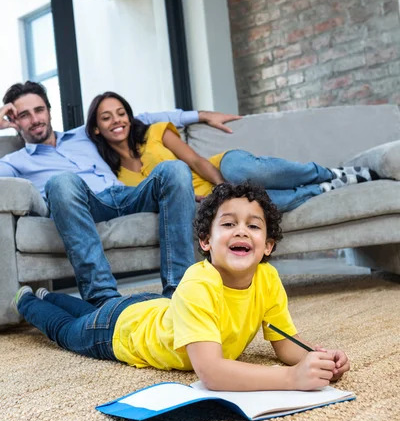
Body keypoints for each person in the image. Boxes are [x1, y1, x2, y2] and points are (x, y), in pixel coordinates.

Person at [10, 182, 350, 391]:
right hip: (120, 331)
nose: (242, 231)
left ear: (268, 245)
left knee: (87, 313)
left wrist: (317, 359)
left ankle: (48, 295)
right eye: (228, 224)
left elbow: (284, 345)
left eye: (253, 226)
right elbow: (212, 372)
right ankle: (28, 299)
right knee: (69, 331)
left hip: (151, 310)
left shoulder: (268, 279)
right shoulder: (199, 284)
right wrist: (290, 380)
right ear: (206, 241)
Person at [0, 81, 240, 302]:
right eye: (24, 115)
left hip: (125, 194)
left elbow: (141, 118)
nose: (35, 119)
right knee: (60, 182)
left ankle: (180, 291)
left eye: (39, 110)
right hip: (83, 206)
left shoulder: (82, 134)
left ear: (49, 111)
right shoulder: (15, 161)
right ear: (14, 121)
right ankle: (104, 299)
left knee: (174, 169)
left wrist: (201, 115)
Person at [86, 91, 379, 214]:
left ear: (130, 116)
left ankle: (328, 172)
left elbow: (195, 160)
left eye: (121, 113)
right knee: (255, 206)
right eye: (107, 117)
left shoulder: (155, 132)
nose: (117, 121)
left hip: (222, 170)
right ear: (97, 128)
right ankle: (325, 188)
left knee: (243, 173)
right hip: (208, 202)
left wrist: (222, 186)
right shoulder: (117, 177)